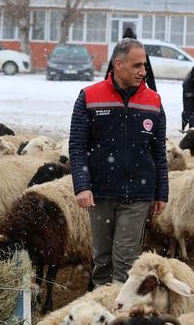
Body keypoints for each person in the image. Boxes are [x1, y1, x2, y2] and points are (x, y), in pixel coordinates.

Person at [69, 38, 168, 288]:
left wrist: (161, 192)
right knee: (102, 259)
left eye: (144, 65)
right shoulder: (89, 97)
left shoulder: (153, 102)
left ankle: (119, 316)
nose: (143, 71)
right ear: (118, 64)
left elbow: (158, 151)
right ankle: (101, 310)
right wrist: (82, 185)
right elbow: (77, 146)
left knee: (125, 261)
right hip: (101, 193)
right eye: (137, 65)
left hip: (138, 194)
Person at [104, 27, 156, 91]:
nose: (143, 72)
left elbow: (149, 75)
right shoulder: (119, 55)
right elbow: (150, 76)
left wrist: (153, 93)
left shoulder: (142, 55)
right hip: (120, 89)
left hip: (138, 90)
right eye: (136, 65)